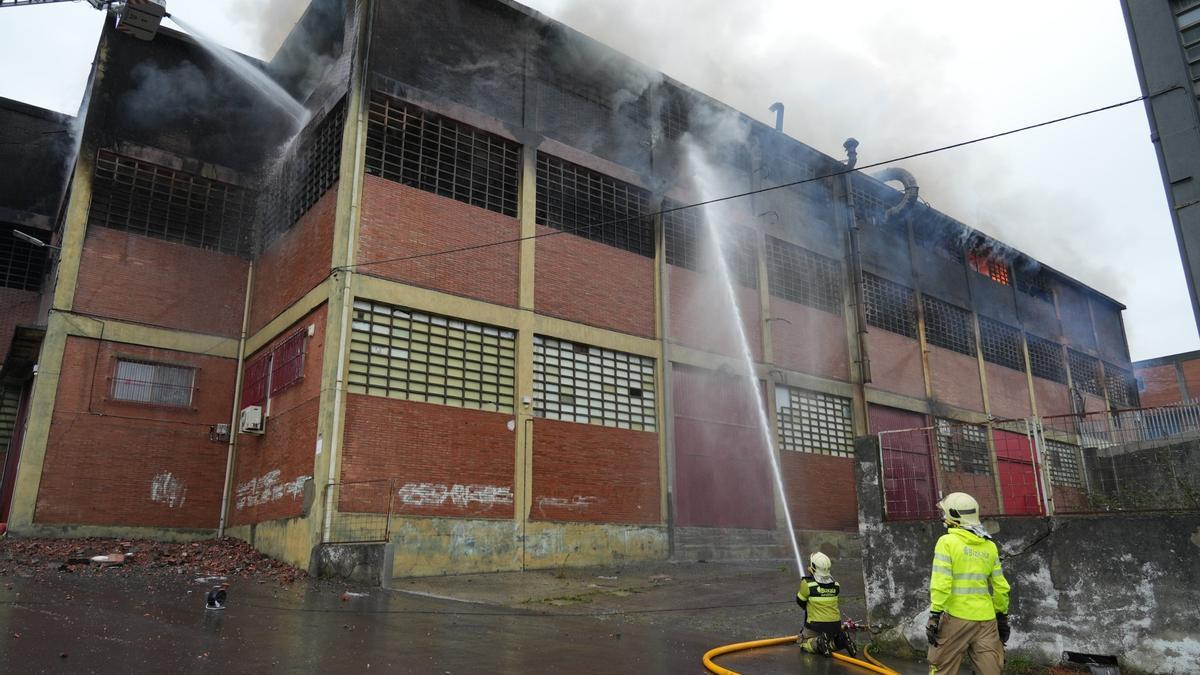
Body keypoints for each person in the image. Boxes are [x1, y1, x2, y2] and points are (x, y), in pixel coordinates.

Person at [926, 492, 1011, 675]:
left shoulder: (947, 542)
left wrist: (935, 615)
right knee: (990, 670)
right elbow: (1001, 587)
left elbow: (941, 583)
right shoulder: (989, 546)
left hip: (956, 618)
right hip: (987, 620)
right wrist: (1002, 616)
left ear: (954, 515)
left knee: (941, 666)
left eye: (945, 512)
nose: (943, 516)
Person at [795, 551, 857, 657]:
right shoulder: (836, 585)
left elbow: (800, 601)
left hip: (816, 626)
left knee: (803, 643)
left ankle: (818, 642)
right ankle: (841, 641)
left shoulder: (808, 584)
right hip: (835, 626)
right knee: (829, 644)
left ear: (813, 567)